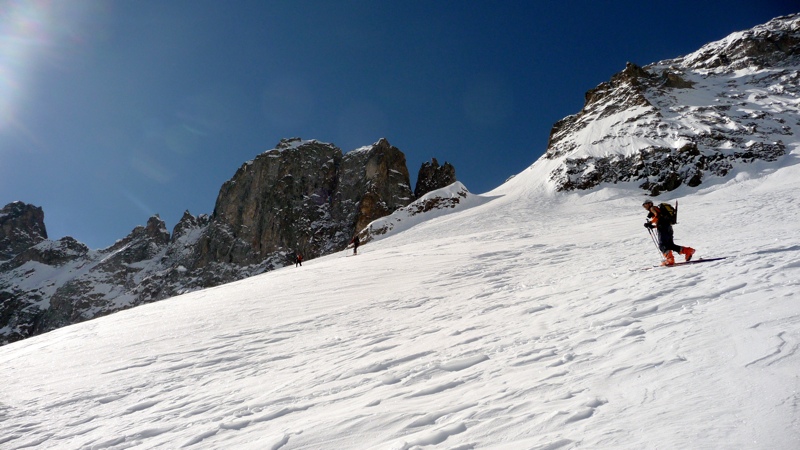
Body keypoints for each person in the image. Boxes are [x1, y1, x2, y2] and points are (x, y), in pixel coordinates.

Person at [643, 200, 695, 266]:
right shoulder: (657, 209)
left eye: (645, 205)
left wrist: (650, 223)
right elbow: (661, 221)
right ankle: (688, 251)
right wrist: (653, 226)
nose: (645, 207)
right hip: (668, 228)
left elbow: (657, 215)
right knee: (670, 245)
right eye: (643, 206)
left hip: (663, 229)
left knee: (663, 245)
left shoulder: (652, 208)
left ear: (650, 204)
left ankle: (670, 260)